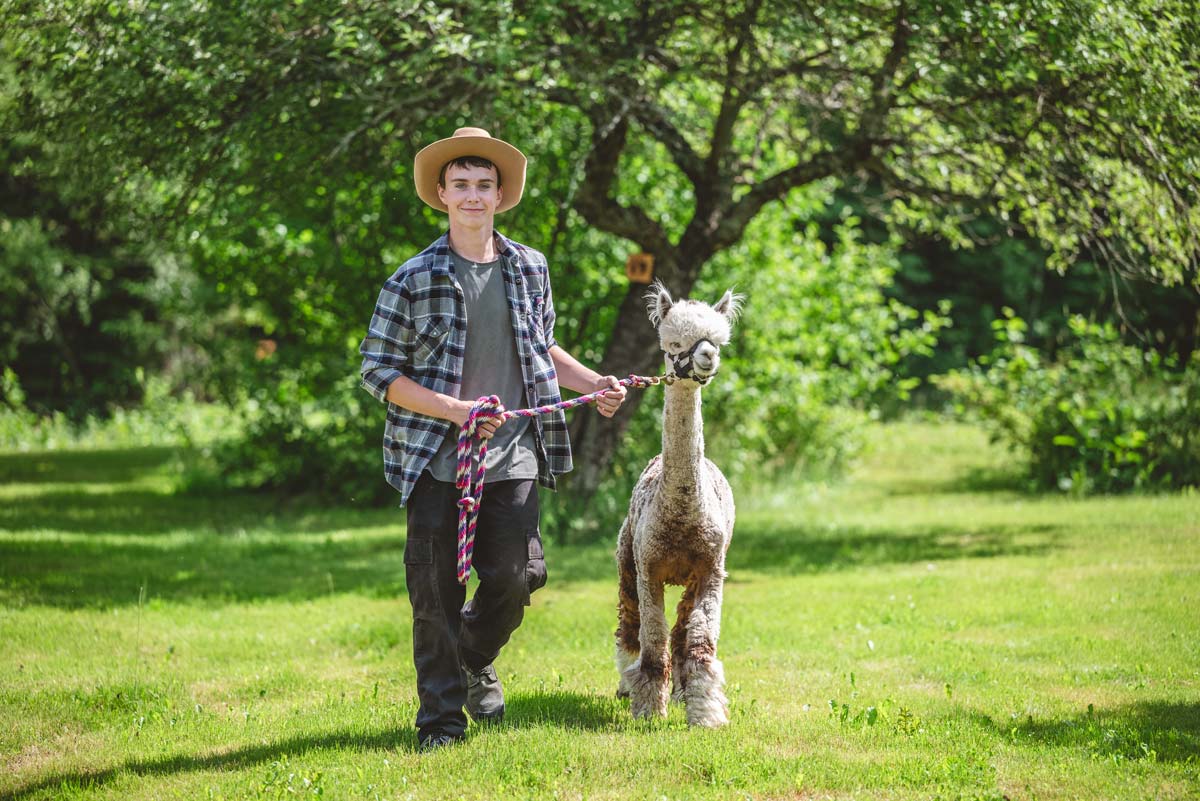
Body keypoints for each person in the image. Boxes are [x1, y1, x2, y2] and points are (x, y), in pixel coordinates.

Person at [358, 127, 628, 751]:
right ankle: (441, 726)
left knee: (517, 576)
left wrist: (595, 383)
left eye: (484, 185)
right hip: (435, 460)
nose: (473, 196)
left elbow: (542, 347)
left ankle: (472, 657)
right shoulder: (412, 277)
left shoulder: (530, 267)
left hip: (514, 454)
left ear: (501, 195)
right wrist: (454, 411)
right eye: (461, 185)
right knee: (435, 597)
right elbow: (378, 371)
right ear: (442, 194)